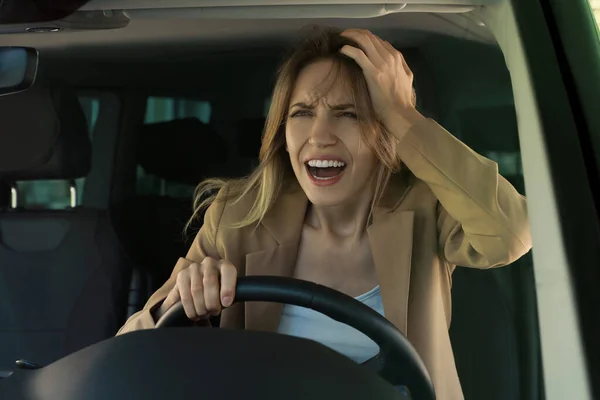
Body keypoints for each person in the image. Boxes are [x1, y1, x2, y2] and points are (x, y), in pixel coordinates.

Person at [117, 27, 532, 399]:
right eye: (301, 113)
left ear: (384, 129)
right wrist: (185, 306)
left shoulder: (426, 207)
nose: (318, 136)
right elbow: (128, 351)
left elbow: (512, 234)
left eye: (347, 114)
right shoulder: (239, 217)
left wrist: (405, 116)